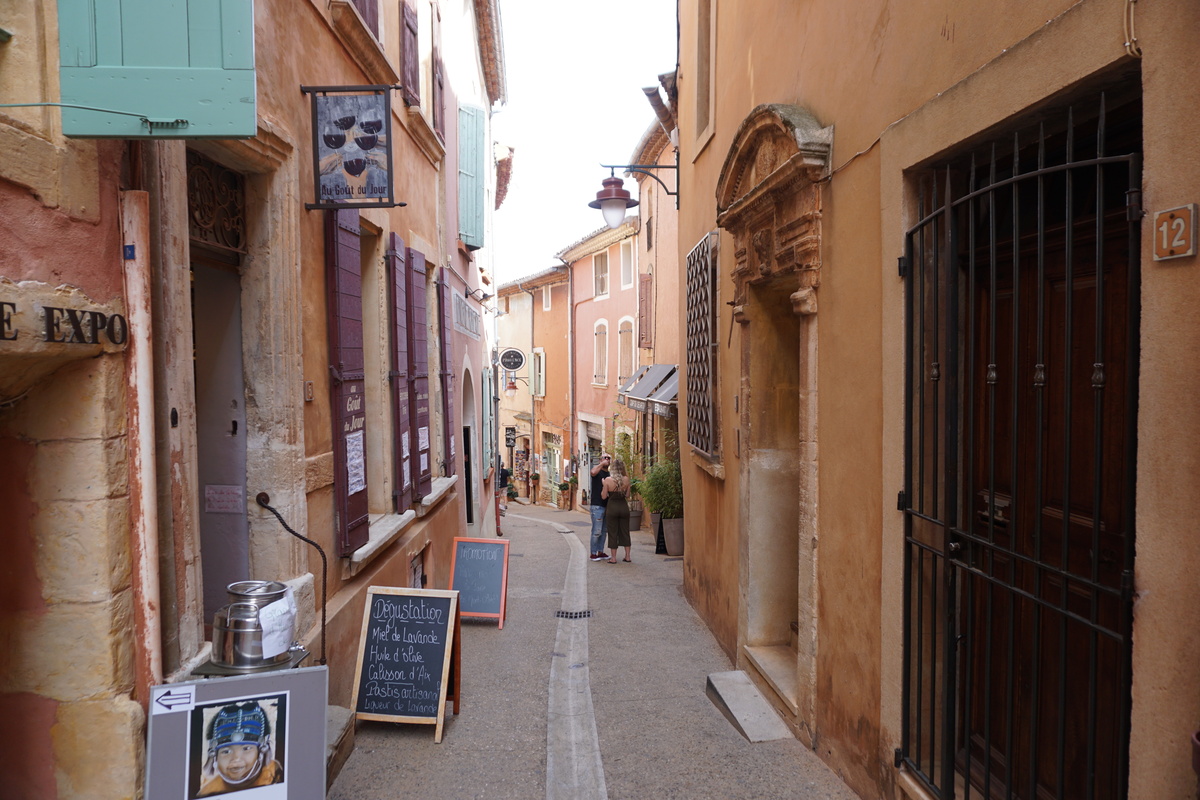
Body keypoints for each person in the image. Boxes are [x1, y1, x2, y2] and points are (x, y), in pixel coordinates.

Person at [197, 700, 284, 797]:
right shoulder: (208, 792)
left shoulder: (276, 775)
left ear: (261, 749)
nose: (236, 758)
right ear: (214, 755)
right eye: (226, 751)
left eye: (246, 748)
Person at [602, 458, 633, 563]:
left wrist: (603, 485)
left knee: (612, 532)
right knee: (625, 531)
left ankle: (613, 558)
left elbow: (603, 496)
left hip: (612, 508)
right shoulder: (626, 479)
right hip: (623, 507)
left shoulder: (608, 480)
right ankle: (627, 556)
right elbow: (628, 495)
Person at [588, 453, 611, 561]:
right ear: (600, 460)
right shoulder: (597, 471)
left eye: (608, 458)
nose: (606, 459)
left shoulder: (609, 474)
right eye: (604, 458)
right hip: (597, 505)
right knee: (596, 531)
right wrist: (601, 464)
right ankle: (593, 553)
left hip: (607, 506)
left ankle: (600, 551)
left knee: (604, 530)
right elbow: (592, 472)